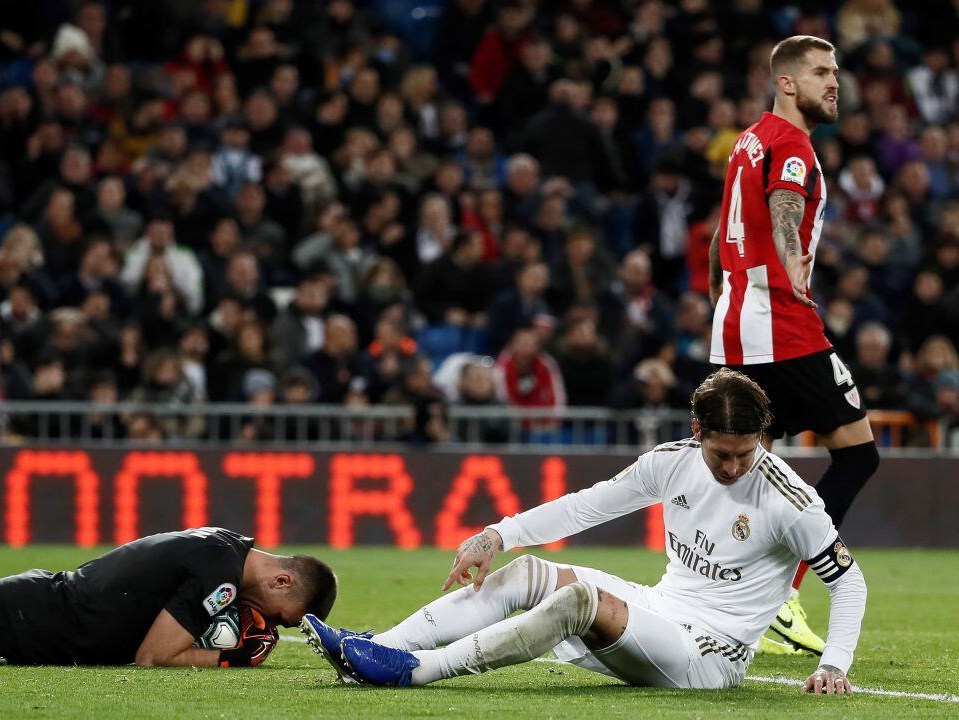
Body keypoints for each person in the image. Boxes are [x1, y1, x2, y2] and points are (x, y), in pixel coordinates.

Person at [302, 369, 866, 694]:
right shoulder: (672, 461)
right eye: (722, 453)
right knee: (526, 572)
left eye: (746, 454)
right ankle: (378, 647)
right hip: (663, 609)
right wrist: (498, 534)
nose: (734, 467)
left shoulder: (792, 500)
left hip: (711, 653)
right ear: (698, 433)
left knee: (581, 599)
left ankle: (416, 671)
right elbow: (587, 507)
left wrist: (832, 665)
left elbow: (849, 584)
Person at [707, 35, 879, 655]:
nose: (835, 83)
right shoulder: (790, 142)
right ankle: (783, 592)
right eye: (821, 72)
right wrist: (793, 269)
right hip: (782, 326)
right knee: (858, 455)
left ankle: (726, 598)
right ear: (786, 82)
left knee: (750, 472)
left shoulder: (746, 141)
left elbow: (717, 236)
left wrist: (719, 299)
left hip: (735, 323)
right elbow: (785, 205)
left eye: (835, 72)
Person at [0, 527, 336, 668]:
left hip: (37, 616)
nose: (271, 625)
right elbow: (152, 657)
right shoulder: (222, 573)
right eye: (284, 618)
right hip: (27, 620)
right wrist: (226, 659)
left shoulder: (227, 548)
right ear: (282, 583)